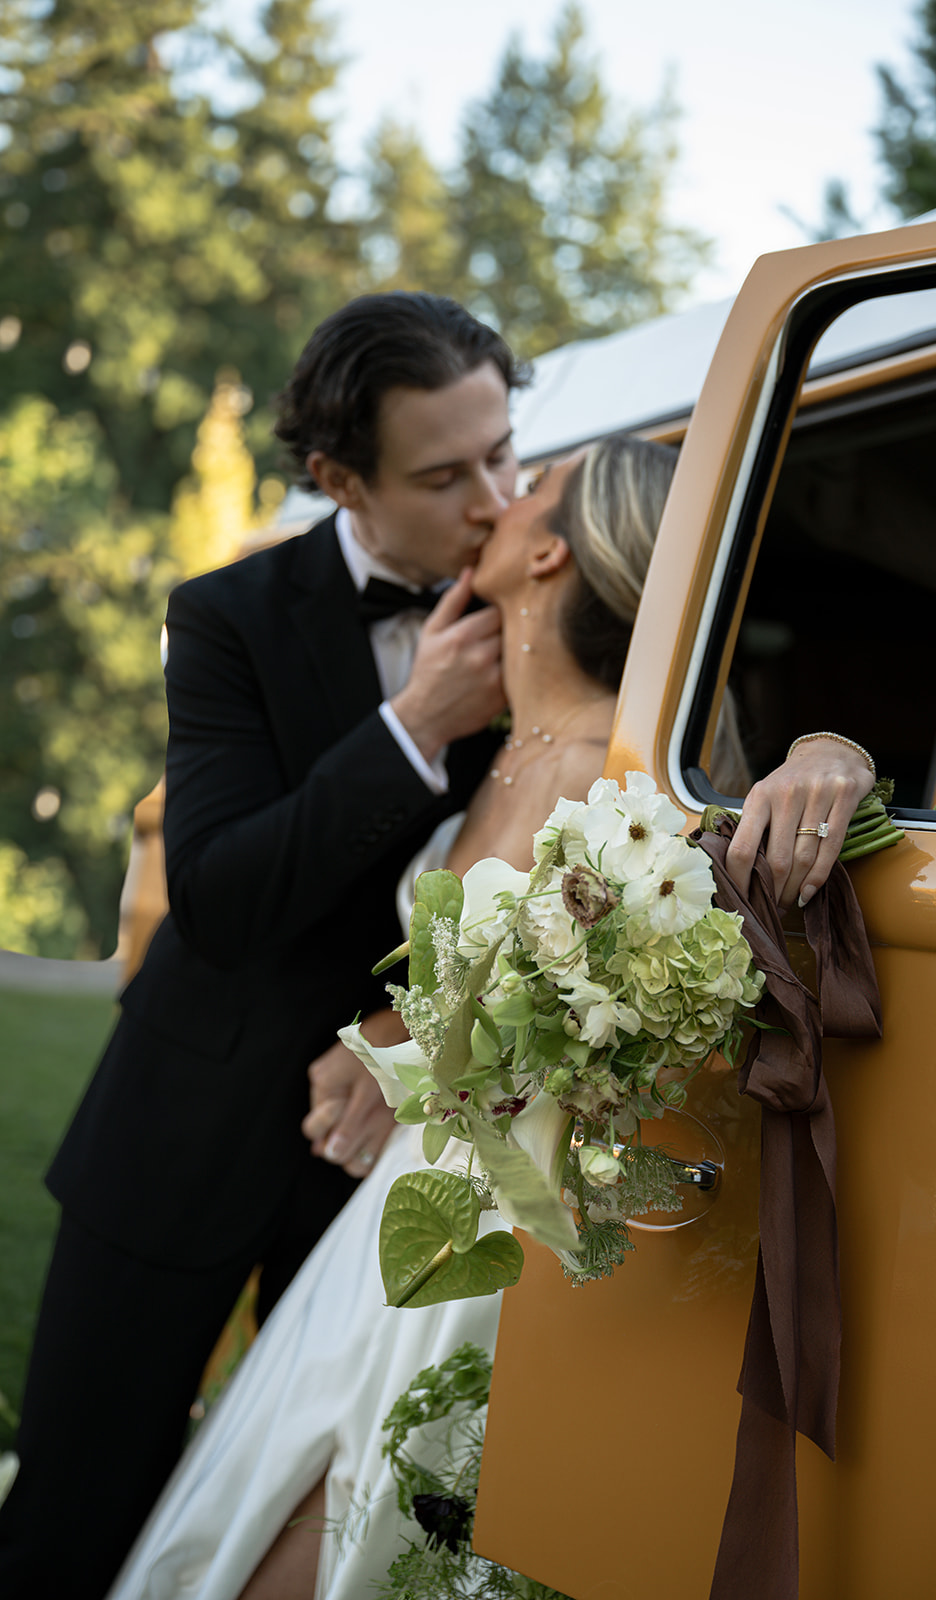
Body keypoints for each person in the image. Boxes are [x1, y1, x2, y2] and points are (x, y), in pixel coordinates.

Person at [105, 436, 877, 1600]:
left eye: (526, 486)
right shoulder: (496, 744)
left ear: (550, 549)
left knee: (346, 1520)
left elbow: (722, 849)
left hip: (496, 1227)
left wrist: (835, 746)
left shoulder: (632, 775)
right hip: (389, 1209)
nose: (493, 504)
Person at [0, 291, 530, 1600]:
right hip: (178, 1123)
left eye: (502, 454)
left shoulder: (547, 595)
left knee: (294, 1511)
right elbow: (221, 895)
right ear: (333, 478)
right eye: (443, 473)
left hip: (383, 1161)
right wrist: (410, 729)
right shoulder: (226, 615)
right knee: (79, 1494)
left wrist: (826, 747)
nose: (491, 499)